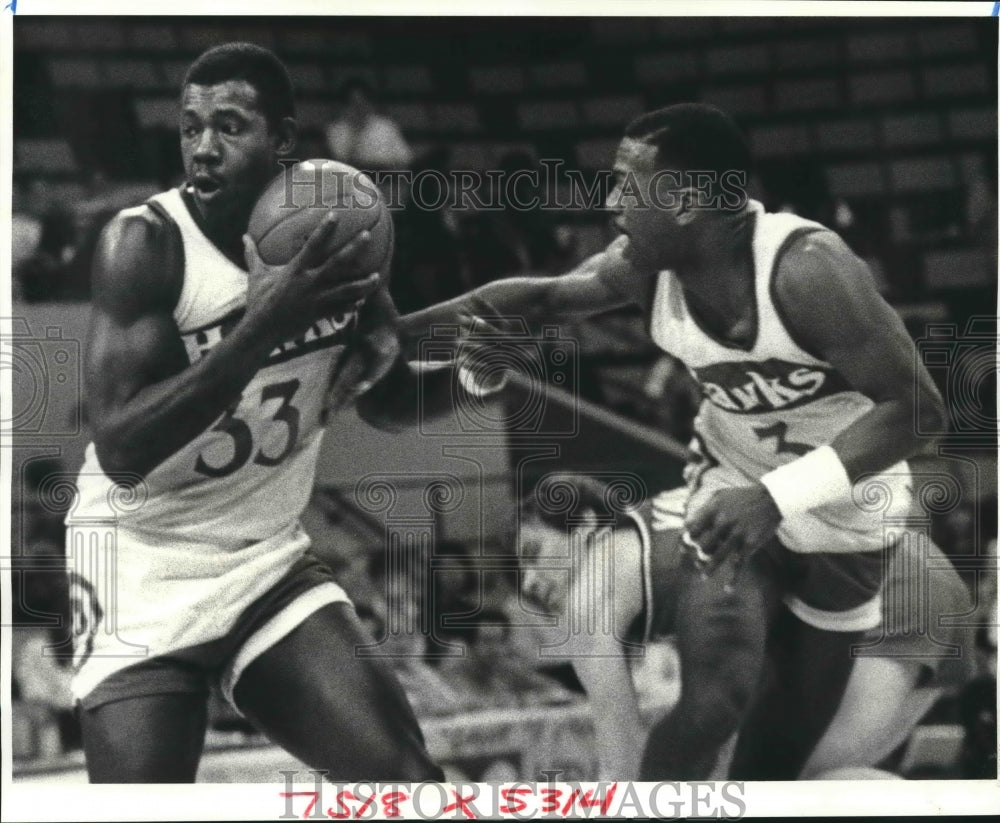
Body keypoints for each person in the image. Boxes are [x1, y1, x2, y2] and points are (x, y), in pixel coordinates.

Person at [400, 103, 948, 779]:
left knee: (773, 765)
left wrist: (775, 497)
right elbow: (539, 299)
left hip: (847, 513)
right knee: (716, 697)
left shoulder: (807, 270)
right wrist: (386, 337)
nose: (611, 200)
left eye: (630, 183)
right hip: (728, 500)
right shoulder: (641, 266)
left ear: (687, 201)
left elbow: (919, 410)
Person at [67, 42, 465, 783]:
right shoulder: (144, 244)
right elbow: (121, 448)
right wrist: (261, 328)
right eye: (191, 128)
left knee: (407, 782)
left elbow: (382, 399)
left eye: (229, 126)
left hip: (262, 558)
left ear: (283, 141)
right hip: (139, 558)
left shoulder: (336, 234)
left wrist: (481, 372)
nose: (204, 148)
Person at [516, 474, 976, 780]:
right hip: (906, 574)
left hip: (884, 585)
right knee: (817, 783)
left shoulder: (592, 594)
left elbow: (622, 761)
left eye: (533, 553)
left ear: (583, 526)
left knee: (785, 787)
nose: (530, 582)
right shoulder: (656, 540)